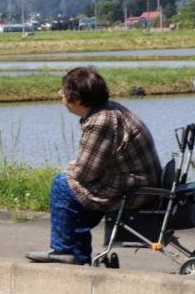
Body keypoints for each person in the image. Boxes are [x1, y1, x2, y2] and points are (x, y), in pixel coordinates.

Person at [25, 67, 162, 265]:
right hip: (137, 183)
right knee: (75, 194)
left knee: (62, 185)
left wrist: (68, 169)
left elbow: (85, 172)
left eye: (63, 92)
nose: (60, 96)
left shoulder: (100, 122)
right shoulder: (110, 109)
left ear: (77, 99)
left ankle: (62, 250)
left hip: (132, 190)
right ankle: (77, 258)